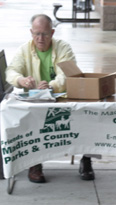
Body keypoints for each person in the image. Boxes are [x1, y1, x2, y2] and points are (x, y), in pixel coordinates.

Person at [5, 14, 95, 183]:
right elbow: (11, 71)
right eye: (36, 34)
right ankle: (35, 164)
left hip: (63, 98)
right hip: (35, 101)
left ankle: (86, 160)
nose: (40, 38)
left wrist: (52, 86)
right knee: (29, 123)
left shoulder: (63, 48)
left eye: (45, 34)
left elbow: (70, 75)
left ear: (52, 33)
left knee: (87, 117)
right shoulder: (24, 49)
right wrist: (21, 80)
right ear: (31, 33)